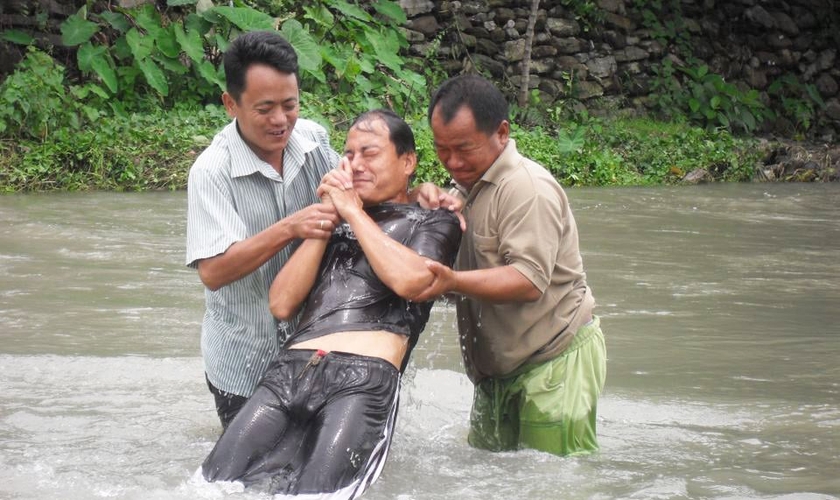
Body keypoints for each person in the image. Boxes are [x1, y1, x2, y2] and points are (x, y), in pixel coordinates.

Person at [185, 31, 459, 429]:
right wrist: (290, 227)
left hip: (314, 352)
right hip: (245, 360)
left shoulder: (312, 139)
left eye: (289, 105)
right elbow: (213, 272)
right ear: (231, 104)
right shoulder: (212, 172)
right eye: (265, 108)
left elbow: (358, 196)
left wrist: (416, 192)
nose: (281, 120)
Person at [201, 109, 462, 498]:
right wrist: (328, 216)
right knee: (209, 483)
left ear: (408, 162)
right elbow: (282, 303)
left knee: (319, 494)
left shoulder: (433, 220)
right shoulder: (336, 220)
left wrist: (354, 212)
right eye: (349, 154)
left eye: (369, 153)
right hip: (289, 372)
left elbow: (412, 281)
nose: (356, 164)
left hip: (361, 381)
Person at [415, 74, 607, 457]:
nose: (452, 162)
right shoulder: (466, 189)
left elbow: (527, 280)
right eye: (441, 149)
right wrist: (420, 204)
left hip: (554, 361)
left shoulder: (526, 189)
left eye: (464, 149)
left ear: (501, 133)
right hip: (498, 373)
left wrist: (451, 281)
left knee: (555, 483)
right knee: (491, 476)